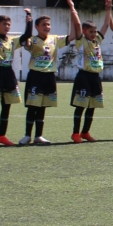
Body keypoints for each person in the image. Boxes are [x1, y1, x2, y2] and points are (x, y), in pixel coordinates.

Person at [20, 9, 76, 145]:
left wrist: (72, 12)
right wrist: (28, 20)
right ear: (37, 27)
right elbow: (25, 40)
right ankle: (27, 135)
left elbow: (73, 35)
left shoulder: (55, 39)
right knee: (32, 106)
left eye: (48, 24)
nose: (47, 27)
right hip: (35, 76)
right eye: (44, 24)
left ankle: (38, 135)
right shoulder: (32, 40)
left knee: (43, 106)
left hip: (49, 76)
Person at [0, 9, 33, 147]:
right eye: (4, 24)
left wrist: (29, 19)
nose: (7, 26)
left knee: (6, 106)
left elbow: (28, 34)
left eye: (9, 24)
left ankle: (1, 136)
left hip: (8, 74)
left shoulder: (12, 41)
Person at [69, 0, 112, 143]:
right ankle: (75, 133)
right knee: (81, 105)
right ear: (85, 31)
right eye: (91, 32)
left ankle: (85, 132)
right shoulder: (81, 41)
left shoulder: (97, 40)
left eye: (95, 32)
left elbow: (106, 25)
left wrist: (108, 9)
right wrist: (72, 8)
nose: (94, 34)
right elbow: (77, 25)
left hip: (95, 77)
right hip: (83, 76)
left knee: (92, 105)